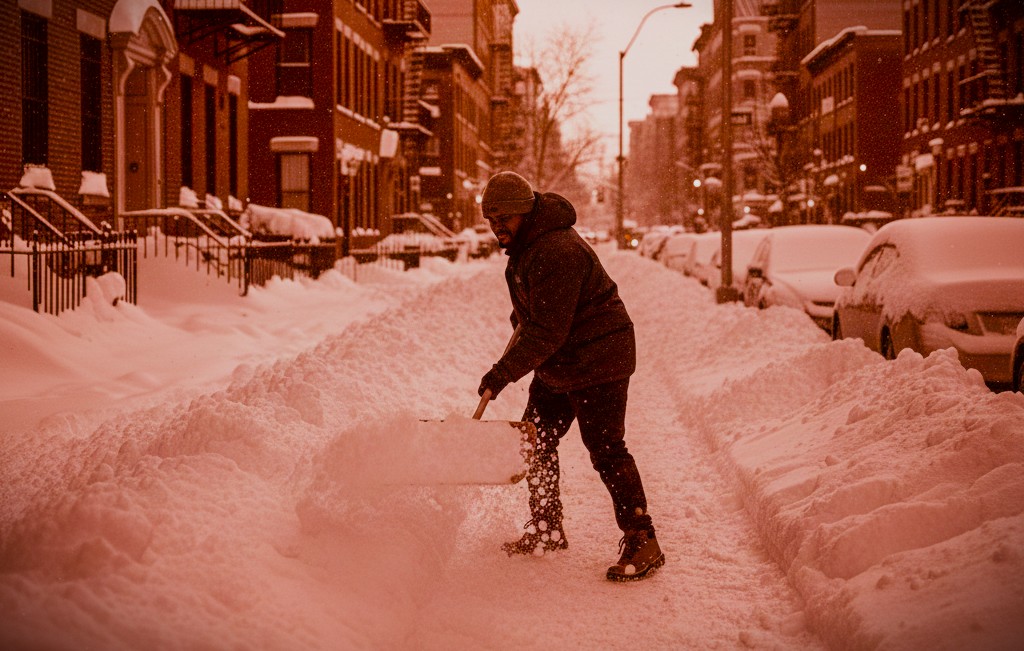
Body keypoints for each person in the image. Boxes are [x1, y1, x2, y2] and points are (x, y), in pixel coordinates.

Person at [476, 171, 664, 582]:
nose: (496, 227)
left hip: (600, 358)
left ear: (525, 213)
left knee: (606, 449)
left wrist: (503, 372)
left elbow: (548, 329)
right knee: (536, 440)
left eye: (503, 217)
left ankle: (642, 537)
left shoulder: (557, 250)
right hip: (563, 359)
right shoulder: (528, 248)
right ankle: (546, 529)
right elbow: (533, 318)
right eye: (491, 219)